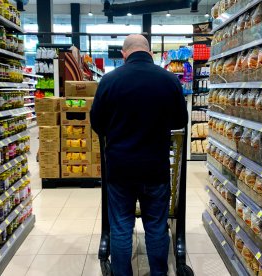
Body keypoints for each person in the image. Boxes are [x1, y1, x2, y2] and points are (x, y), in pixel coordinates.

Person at [90, 34, 189, 276]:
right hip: (155, 166)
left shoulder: (109, 80)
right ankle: (158, 273)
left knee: (121, 226)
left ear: (124, 54)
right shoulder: (169, 80)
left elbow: (97, 122)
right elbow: (180, 121)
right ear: (150, 53)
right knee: (156, 227)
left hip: (120, 168)